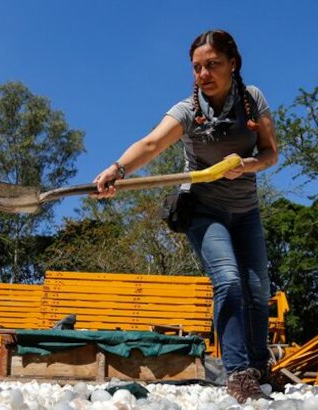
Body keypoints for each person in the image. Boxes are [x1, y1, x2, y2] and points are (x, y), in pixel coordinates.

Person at [92, 29, 278, 403]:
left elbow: (271, 152)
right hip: (203, 210)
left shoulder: (252, 99)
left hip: (245, 212)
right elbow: (151, 143)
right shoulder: (187, 111)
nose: (203, 74)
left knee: (258, 292)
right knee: (228, 281)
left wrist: (248, 165)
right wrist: (117, 169)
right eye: (196, 68)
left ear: (233, 64)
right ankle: (238, 373)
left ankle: (260, 367)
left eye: (212, 65)